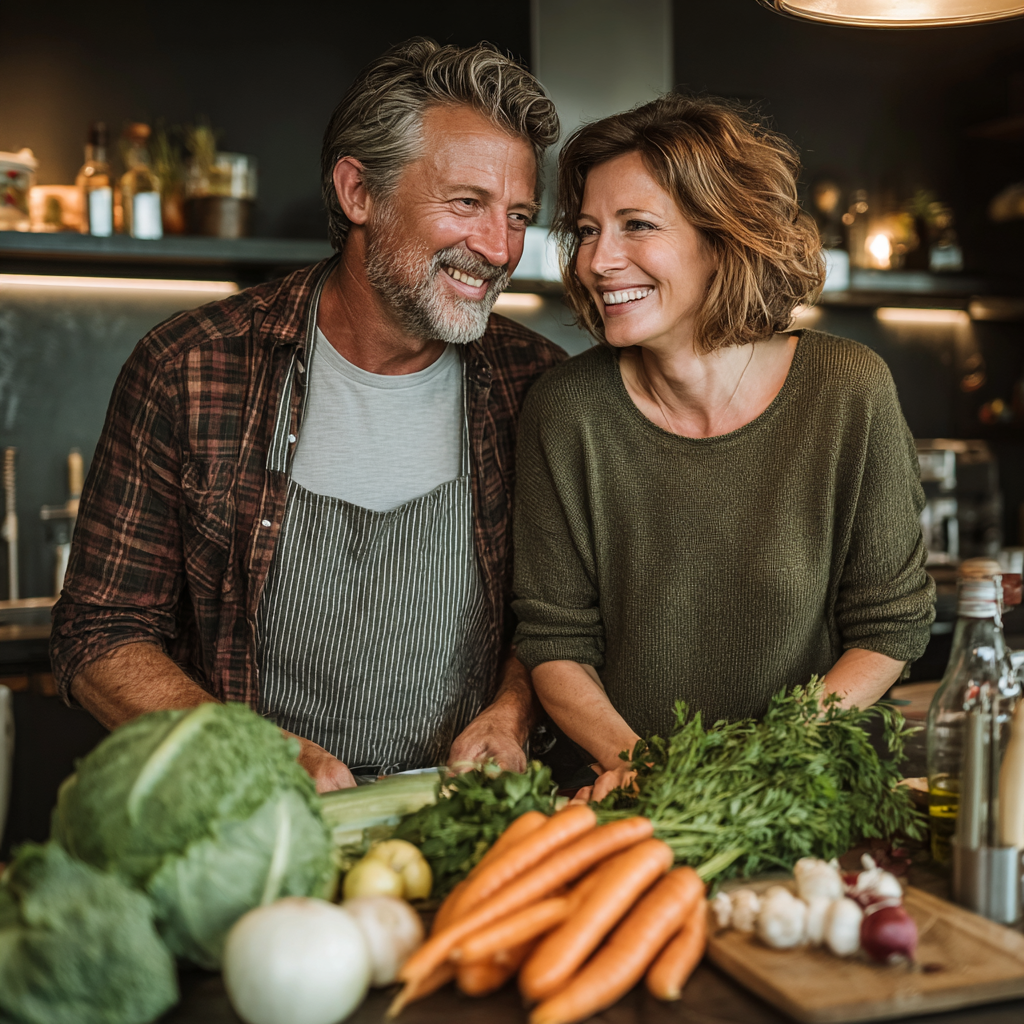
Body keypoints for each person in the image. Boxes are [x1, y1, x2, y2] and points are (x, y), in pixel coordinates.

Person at [50, 39, 565, 792]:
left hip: (478, 825)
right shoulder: (192, 368)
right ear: (358, 192)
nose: (497, 248)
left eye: (518, 215)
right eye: (466, 203)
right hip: (256, 829)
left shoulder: (537, 385)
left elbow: (559, 618)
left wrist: (514, 710)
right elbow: (99, 632)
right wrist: (247, 755)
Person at [512, 95, 935, 799]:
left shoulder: (847, 388)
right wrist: (656, 776)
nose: (597, 260)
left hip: (811, 800)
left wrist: (761, 765)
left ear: (722, 238)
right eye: (587, 231)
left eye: (636, 226)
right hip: (630, 801)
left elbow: (891, 622)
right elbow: (555, 644)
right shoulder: (567, 410)